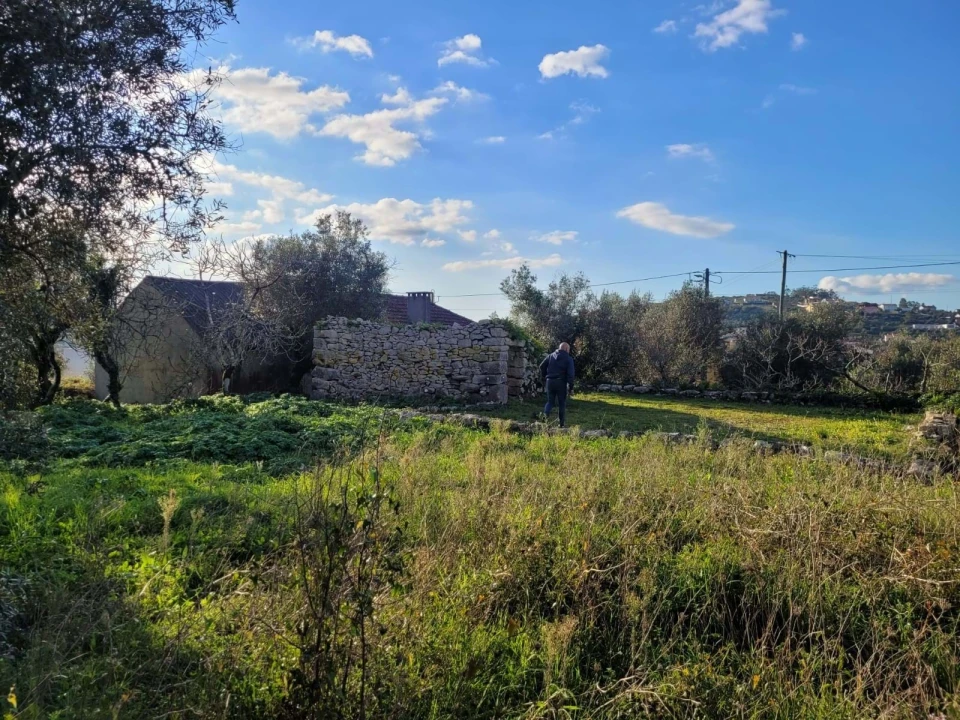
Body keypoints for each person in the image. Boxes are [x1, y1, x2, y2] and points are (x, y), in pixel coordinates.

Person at [539, 341, 575, 427]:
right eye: (569, 349)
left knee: (550, 402)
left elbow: (541, 366)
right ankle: (561, 424)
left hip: (550, 381)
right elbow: (571, 374)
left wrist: (545, 376)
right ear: (566, 349)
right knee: (561, 403)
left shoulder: (551, 356)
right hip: (561, 382)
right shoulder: (568, 359)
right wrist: (571, 387)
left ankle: (544, 420)